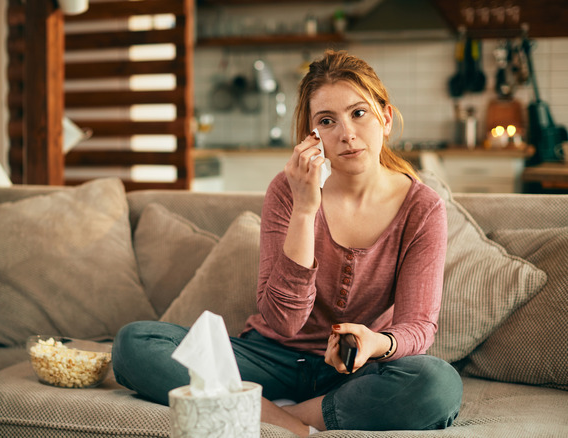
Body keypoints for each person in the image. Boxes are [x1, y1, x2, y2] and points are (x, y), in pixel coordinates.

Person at [112, 49, 462, 436]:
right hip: (269, 357)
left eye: (359, 113)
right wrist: (305, 210)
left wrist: (375, 342)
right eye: (327, 121)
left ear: (386, 118)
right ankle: (293, 424)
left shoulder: (422, 208)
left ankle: (273, 413)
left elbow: (417, 327)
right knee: (135, 343)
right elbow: (284, 321)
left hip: (352, 370)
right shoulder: (287, 190)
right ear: (312, 137)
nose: (347, 134)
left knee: (438, 385)